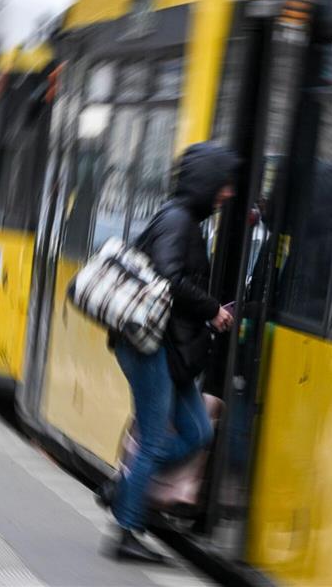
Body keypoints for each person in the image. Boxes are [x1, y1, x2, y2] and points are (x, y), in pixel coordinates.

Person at [97, 142, 241, 562]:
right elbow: (168, 279)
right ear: (206, 182)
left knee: (198, 432)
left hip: (169, 349)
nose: (228, 193)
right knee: (155, 437)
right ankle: (125, 532)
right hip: (148, 345)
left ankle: (123, 488)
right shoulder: (177, 221)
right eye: (224, 184)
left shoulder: (186, 221)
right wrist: (212, 309)